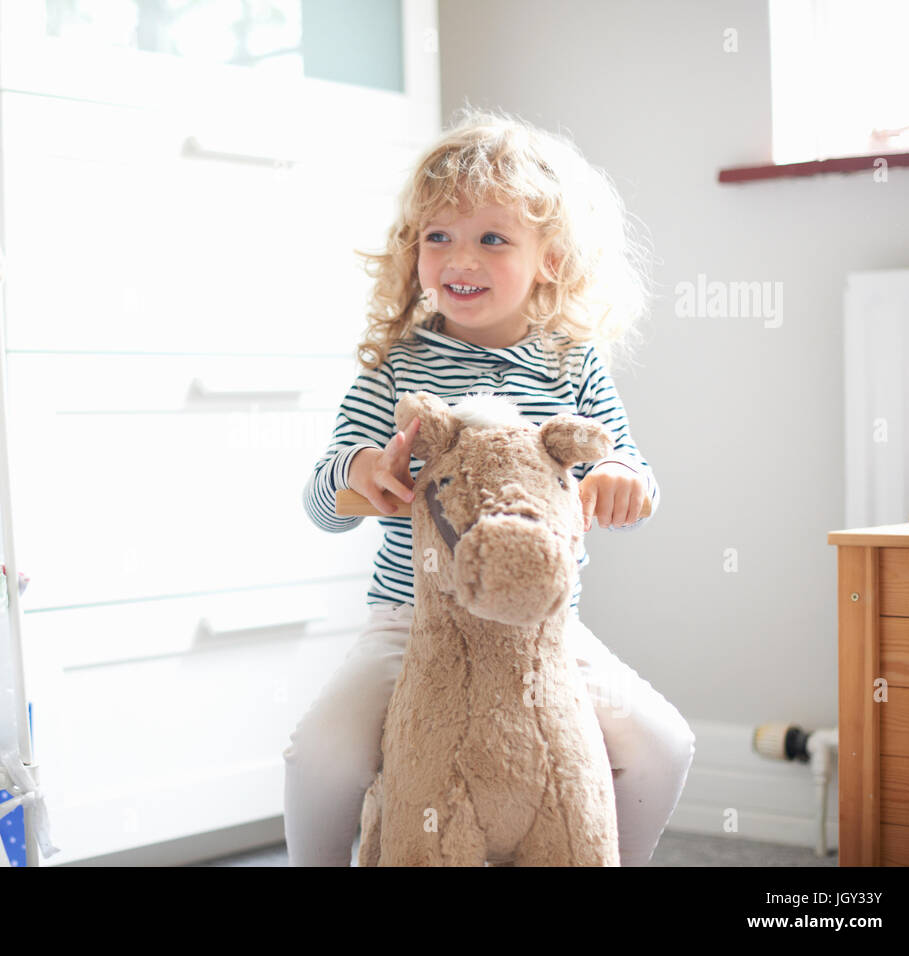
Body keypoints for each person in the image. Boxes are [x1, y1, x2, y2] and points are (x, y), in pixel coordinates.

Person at [285, 108, 695, 866]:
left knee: (664, 744)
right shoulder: (396, 367)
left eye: (492, 238)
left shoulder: (574, 367)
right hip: (410, 625)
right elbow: (319, 499)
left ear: (551, 259)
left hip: (541, 634)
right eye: (437, 236)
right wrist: (361, 475)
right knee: (320, 754)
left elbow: (634, 474)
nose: (457, 258)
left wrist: (619, 480)